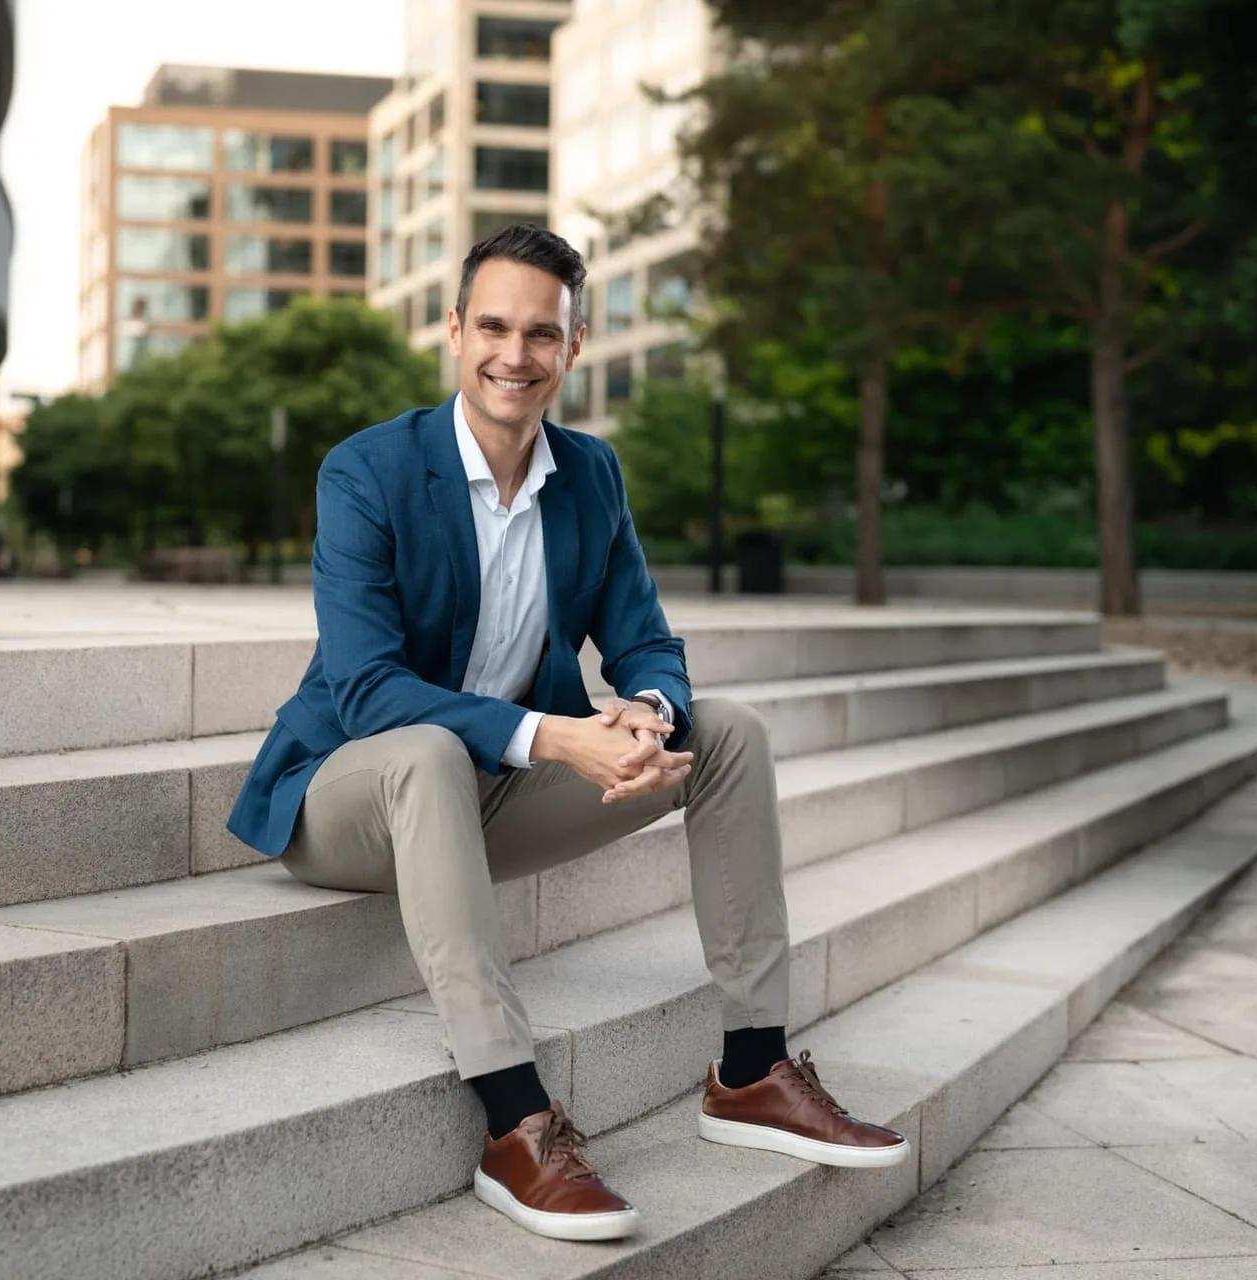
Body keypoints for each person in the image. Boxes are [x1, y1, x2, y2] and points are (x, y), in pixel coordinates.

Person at [226, 223, 907, 1242]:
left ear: (572, 350)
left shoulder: (590, 474)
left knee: (729, 731)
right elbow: (369, 691)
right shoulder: (365, 471)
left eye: (541, 333)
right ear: (454, 331)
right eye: (493, 326)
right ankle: (514, 1120)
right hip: (348, 798)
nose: (515, 353)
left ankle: (754, 1068)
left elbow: (646, 639)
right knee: (421, 751)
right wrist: (555, 735)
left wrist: (645, 708)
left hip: (487, 798)